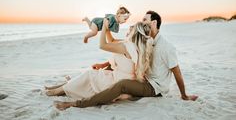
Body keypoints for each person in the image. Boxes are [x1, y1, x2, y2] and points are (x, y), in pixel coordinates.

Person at [54, 11, 198, 110]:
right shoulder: (142, 41)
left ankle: (78, 104)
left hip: (154, 87)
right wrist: (104, 65)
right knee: (105, 72)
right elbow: (119, 48)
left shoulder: (167, 47)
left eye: (145, 20)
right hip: (142, 79)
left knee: (121, 84)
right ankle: (70, 85)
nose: (141, 22)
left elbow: (177, 71)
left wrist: (184, 95)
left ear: (153, 23)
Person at [46, 20, 154, 102]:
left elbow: (102, 45)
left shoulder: (126, 46)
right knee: (94, 73)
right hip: (124, 81)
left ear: (134, 33)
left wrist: (103, 27)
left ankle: (57, 91)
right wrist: (107, 29)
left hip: (117, 82)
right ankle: (60, 88)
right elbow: (111, 41)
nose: (128, 31)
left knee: (90, 74)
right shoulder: (140, 48)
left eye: (131, 30)